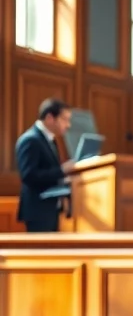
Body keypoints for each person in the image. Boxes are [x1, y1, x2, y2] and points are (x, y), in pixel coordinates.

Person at [16, 98, 74, 232]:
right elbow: (29, 175)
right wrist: (61, 171)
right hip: (38, 211)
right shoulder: (30, 140)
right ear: (49, 118)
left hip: (50, 210)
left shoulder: (49, 140)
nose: (68, 125)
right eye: (64, 119)